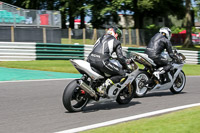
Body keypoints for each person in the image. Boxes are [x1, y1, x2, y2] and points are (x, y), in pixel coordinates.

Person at [87, 26, 129, 96]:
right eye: (119, 36)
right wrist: (125, 66)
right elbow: (121, 57)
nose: (119, 38)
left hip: (90, 59)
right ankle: (104, 85)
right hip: (102, 62)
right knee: (122, 74)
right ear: (116, 34)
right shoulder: (116, 41)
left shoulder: (100, 38)